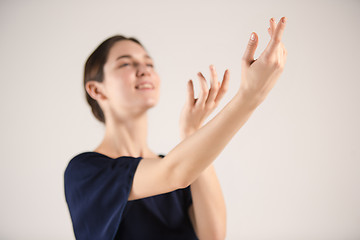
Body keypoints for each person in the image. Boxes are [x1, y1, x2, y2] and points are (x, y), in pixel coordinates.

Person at [64, 16, 288, 240]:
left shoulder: (182, 165)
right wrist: (249, 96)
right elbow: (174, 173)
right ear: (96, 90)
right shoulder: (85, 172)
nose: (144, 69)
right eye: (125, 63)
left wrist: (192, 133)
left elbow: (213, 236)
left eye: (149, 64)